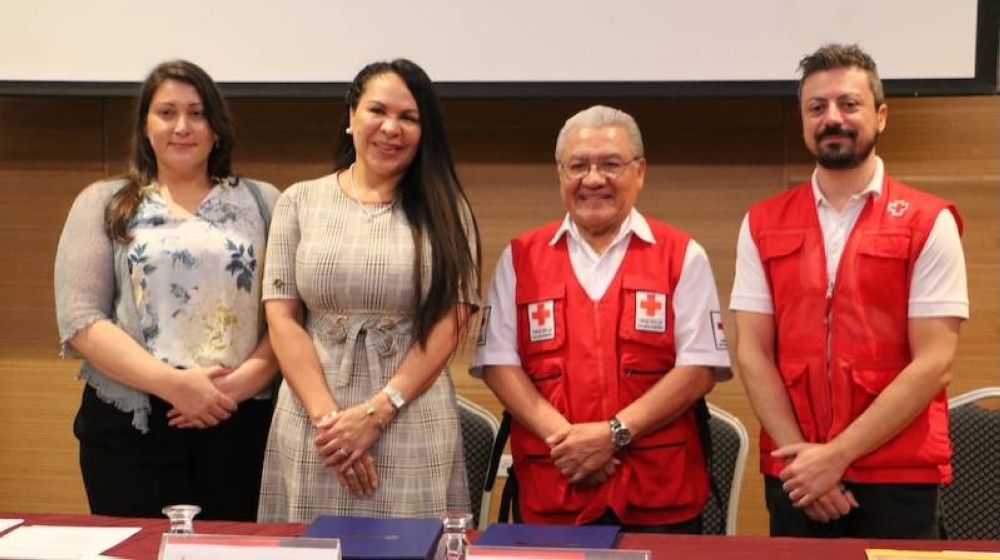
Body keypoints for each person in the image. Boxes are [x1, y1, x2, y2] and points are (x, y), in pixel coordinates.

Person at [731, 43, 969, 539]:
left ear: (881, 116)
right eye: (816, 107)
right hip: (796, 478)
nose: (831, 118)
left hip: (898, 480)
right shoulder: (762, 222)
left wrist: (835, 457)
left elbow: (934, 363)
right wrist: (805, 463)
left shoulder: (929, 221)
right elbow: (752, 352)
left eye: (849, 104)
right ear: (802, 120)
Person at [472, 105, 731, 533]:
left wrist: (611, 434)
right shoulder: (522, 258)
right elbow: (498, 363)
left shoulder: (682, 255)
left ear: (640, 172)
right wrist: (566, 441)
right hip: (553, 488)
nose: (593, 179)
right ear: (560, 174)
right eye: (578, 166)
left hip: (658, 495)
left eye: (611, 164)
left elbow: (700, 368)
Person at [54, 60, 281, 521]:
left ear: (217, 127)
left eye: (197, 113)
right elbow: (80, 318)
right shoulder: (103, 202)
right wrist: (176, 386)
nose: (183, 126)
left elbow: (289, 314)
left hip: (241, 422)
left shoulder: (264, 202)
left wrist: (232, 390)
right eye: (167, 113)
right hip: (131, 429)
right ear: (145, 125)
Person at [257, 59, 481, 523]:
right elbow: (282, 319)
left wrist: (378, 412)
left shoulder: (447, 208)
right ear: (350, 115)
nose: (391, 129)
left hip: (410, 413)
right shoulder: (299, 200)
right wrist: (332, 425)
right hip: (313, 417)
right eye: (378, 111)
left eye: (409, 117)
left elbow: (454, 316)